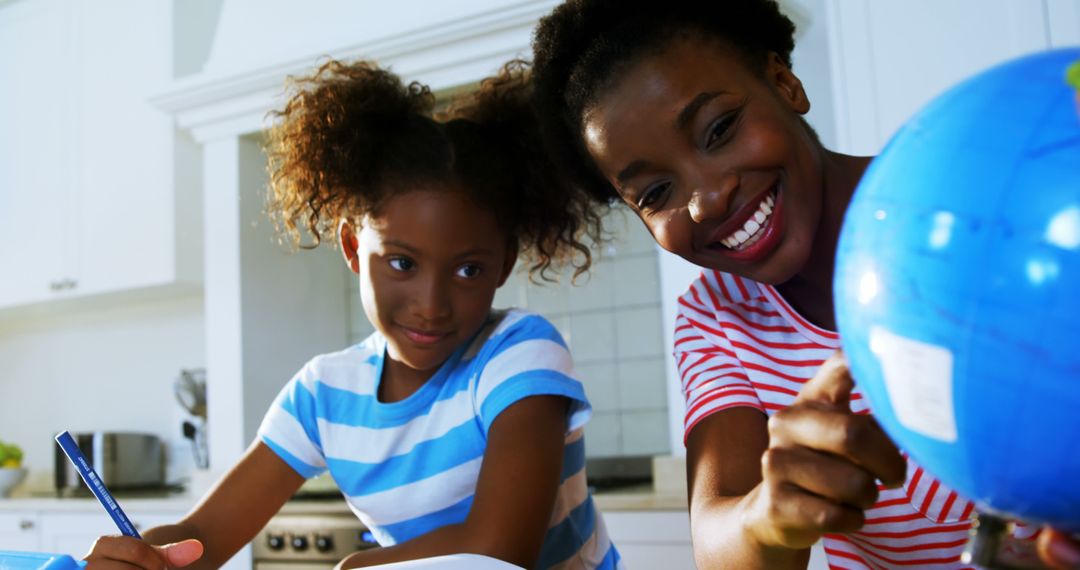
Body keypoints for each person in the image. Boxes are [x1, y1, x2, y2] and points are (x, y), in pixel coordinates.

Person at [526, 1, 1080, 568]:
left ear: (785, 84)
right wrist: (768, 517)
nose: (707, 198)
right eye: (654, 193)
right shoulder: (716, 317)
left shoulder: (971, 197)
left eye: (719, 129)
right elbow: (719, 538)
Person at [80, 59, 621, 570]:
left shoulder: (520, 351)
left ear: (504, 263)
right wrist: (139, 558)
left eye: (468, 271)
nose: (431, 304)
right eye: (402, 262)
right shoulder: (322, 394)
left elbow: (499, 551)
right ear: (352, 249)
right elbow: (204, 536)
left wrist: (353, 566)